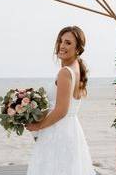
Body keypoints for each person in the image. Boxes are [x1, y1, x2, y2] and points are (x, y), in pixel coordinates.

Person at [25, 26, 97, 175]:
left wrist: (38, 126)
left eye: (68, 43)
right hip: (71, 130)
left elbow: (61, 110)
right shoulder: (76, 68)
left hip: (59, 132)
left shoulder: (65, 73)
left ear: (78, 49)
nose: (62, 46)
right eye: (60, 41)